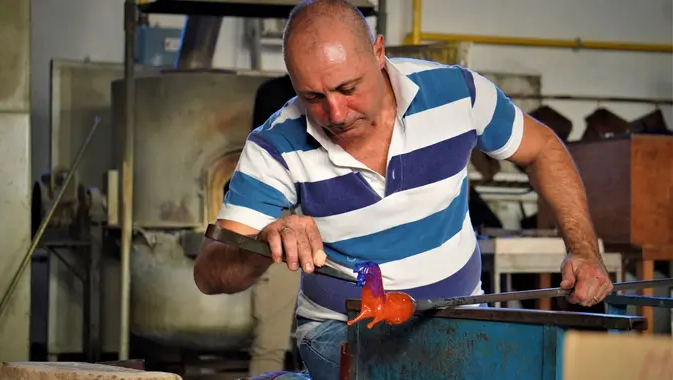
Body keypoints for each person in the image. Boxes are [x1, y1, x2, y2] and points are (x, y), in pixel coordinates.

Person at [194, 0, 614, 378]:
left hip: (461, 314)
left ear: (379, 53)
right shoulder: (274, 144)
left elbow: (542, 149)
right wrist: (267, 242)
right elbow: (211, 274)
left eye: (347, 88)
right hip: (338, 328)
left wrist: (582, 249)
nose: (335, 113)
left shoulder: (457, 94)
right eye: (313, 96)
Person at [222, 74, 300, 376]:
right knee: (272, 343)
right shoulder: (275, 94)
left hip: (314, 223)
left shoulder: (273, 91)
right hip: (280, 222)